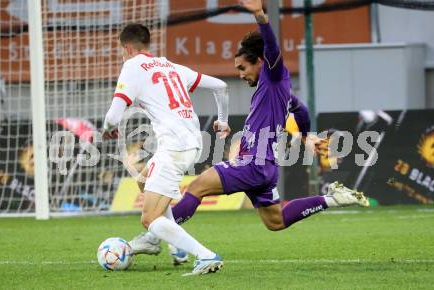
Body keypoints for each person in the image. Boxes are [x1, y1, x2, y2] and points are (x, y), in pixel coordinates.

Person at [130, 0, 369, 272]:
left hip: (252, 163)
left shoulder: (274, 77)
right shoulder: (277, 90)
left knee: (197, 187)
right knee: (275, 221)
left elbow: (272, 48)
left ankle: (152, 237)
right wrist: (305, 136)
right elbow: (299, 108)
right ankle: (333, 198)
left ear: (260, 62)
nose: (240, 75)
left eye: (243, 68)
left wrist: (259, 15)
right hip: (264, 167)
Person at [102, 23, 231, 275]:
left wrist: (107, 128)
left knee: (149, 219)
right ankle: (175, 245)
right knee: (143, 179)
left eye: (121, 50)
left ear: (126, 47)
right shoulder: (170, 66)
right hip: (191, 142)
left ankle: (205, 255)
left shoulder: (132, 66)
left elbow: (113, 116)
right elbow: (221, 86)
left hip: (174, 146)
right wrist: (223, 120)